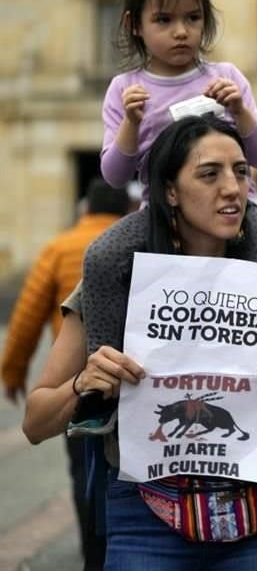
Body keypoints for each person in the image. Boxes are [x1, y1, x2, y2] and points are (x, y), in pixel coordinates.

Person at [23, 115, 257, 569]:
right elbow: (34, 422)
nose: (233, 188)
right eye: (210, 174)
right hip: (143, 520)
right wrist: (82, 384)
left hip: (256, 524)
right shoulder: (114, 283)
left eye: (241, 172)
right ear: (169, 190)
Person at [80, 0, 257, 403]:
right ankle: (102, 382)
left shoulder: (226, 76)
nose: (181, 32)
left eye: (193, 19)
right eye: (164, 20)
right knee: (99, 258)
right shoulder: (125, 88)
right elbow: (115, 174)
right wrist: (132, 126)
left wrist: (240, 110)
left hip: (240, 211)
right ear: (134, 24)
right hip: (159, 213)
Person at [1, 179, 128, 570]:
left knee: (84, 471)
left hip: (77, 379)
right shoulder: (130, 247)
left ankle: (95, 551)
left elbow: (26, 317)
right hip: (127, 378)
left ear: (84, 210)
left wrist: (13, 372)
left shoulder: (60, 246)